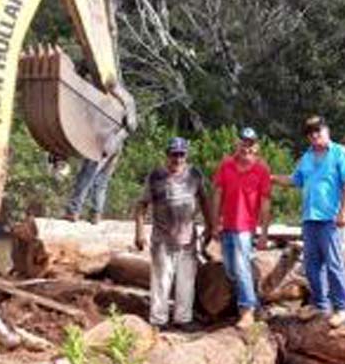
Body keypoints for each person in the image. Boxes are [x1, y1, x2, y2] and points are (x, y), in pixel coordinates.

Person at [272, 116, 345, 328]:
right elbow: (295, 180)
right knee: (312, 266)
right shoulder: (307, 157)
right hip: (310, 219)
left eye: (318, 131)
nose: (315, 135)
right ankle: (320, 304)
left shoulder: (340, 153)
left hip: (331, 220)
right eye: (311, 133)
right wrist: (272, 178)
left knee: (334, 265)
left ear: (326, 130)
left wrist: (344, 212)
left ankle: (342, 308)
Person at [134, 137, 213, 330]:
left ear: (186, 155)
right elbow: (141, 205)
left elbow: (204, 200)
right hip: (162, 238)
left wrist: (211, 226)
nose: (177, 159)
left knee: (186, 280)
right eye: (173, 154)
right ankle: (158, 320)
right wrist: (139, 232)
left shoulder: (194, 174)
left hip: (188, 238)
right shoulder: (156, 176)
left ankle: (183, 318)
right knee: (162, 280)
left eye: (181, 154)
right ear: (167, 155)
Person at [212, 127, 272, 329]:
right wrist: (214, 223)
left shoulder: (262, 169)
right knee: (230, 269)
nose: (246, 147)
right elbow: (218, 194)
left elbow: (265, 203)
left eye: (251, 143)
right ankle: (252, 301)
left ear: (256, 146)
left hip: (246, 228)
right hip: (227, 225)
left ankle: (247, 310)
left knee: (240, 266)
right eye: (243, 142)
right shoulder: (226, 165)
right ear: (237, 143)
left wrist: (263, 233)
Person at [65, 152, 120, 224]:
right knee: (101, 184)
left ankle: (73, 212)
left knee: (85, 180)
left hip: (99, 147)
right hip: (115, 147)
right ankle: (96, 214)